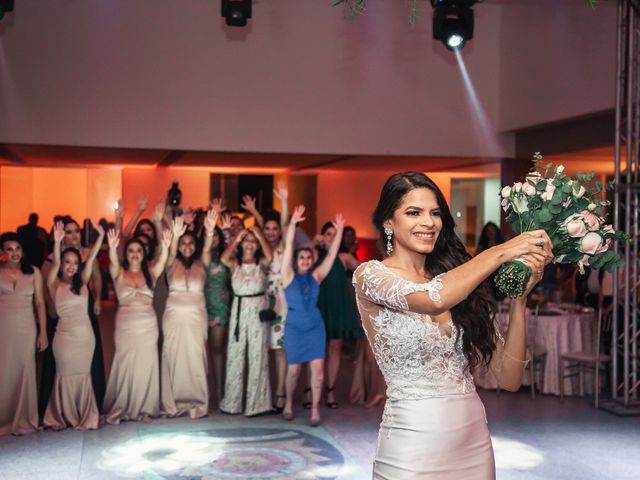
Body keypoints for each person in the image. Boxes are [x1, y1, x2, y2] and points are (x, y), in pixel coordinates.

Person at [352, 172, 552, 479]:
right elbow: (434, 300)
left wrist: (519, 300)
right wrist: (502, 250)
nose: (428, 222)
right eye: (413, 212)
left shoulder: (457, 281)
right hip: (411, 447)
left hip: (473, 443)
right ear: (388, 222)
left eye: (435, 213)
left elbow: (510, 378)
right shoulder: (371, 276)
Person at [281, 206, 345, 426]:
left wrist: (340, 232)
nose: (306, 260)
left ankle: (315, 409)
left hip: (315, 328)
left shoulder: (316, 276)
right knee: (294, 370)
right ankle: (288, 402)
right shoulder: (287, 276)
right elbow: (288, 246)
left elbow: (332, 255)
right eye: (302, 258)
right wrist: (293, 225)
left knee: (317, 370)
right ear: (296, 260)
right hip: (294, 328)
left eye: (309, 257)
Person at [39, 217, 106, 417]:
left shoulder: (83, 283)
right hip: (64, 338)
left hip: (86, 338)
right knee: (64, 374)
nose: (71, 266)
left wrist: (101, 235)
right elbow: (56, 262)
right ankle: (63, 415)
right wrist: (58, 242)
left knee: (84, 375)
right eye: (67, 262)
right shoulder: (54, 284)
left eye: (75, 263)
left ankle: (83, 413)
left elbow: (92, 258)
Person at [102, 228, 171, 424]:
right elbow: (113, 261)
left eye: (138, 250)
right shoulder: (119, 272)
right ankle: (123, 406)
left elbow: (163, 261)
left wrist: (165, 246)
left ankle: (145, 409)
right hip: (125, 325)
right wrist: (113, 247)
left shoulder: (151, 272)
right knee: (125, 363)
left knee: (146, 364)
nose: (134, 254)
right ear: (126, 254)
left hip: (147, 325)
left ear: (144, 253)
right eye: (131, 250)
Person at [160, 212, 217, 419]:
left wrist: (209, 230)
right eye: (183, 243)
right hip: (173, 315)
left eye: (191, 242)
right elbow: (173, 249)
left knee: (196, 355)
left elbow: (208, 246)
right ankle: (173, 400)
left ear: (196, 245)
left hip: (196, 316)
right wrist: (175, 235)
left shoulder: (203, 262)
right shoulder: (171, 262)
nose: (187, 246)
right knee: (173, 354)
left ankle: (199, 400)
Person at [219, 226, 273, 416]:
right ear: (241, 243)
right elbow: (223, 258)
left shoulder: (262, 263)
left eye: (253, 240)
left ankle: (256, 404)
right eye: (246, 239)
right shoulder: (235, 263)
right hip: (239, 310)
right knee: (235, 355)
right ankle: (232, 402)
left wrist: (259, 235)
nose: (249, 242)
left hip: (258, 310)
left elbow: (271, 256)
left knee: (258, 355)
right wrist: (238, 237)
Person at [0, 233, 48, 435]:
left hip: (27, 328)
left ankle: (25, 418)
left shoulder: (33, 272)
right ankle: (4, 418)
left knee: (25, 369)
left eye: (18, 248)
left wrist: (43, 333)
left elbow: (40, 303)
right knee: (4, 371)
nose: (15, 253)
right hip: (3, 328)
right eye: (10, 249)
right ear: (2, 252)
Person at [315, 222, 364, 409]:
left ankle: (330, 390)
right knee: (316, 350)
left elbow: (363, 268)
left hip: (337, 307)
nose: (331, 238)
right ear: (322, 237)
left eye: (335, 235)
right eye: (328, 234)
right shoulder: (314, 257)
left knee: (335, 347)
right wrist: (313, 244)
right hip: (318, 307)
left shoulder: (343, 258)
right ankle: (311, 390)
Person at [263, 181, 290, 413]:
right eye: (267, 229)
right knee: (266, 349)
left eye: (274, 228)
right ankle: (265, 394)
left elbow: (285, 222)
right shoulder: (260, 248)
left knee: (280, 348)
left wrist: (283, 201)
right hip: (263, 300)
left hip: (281, 300)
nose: (271, 231)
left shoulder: (283, 246)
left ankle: (281, 394)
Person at [204, 224, 231, 409]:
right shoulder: (200, 255)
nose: (213, 239)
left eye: (216, 236)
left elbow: (234, 280)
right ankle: (200, 392)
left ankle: (220, 391)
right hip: (199, 305)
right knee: (199, 352)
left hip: (219, 308)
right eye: (210, 236)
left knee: (217, 350)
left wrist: (228, 294)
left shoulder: (226, 257)